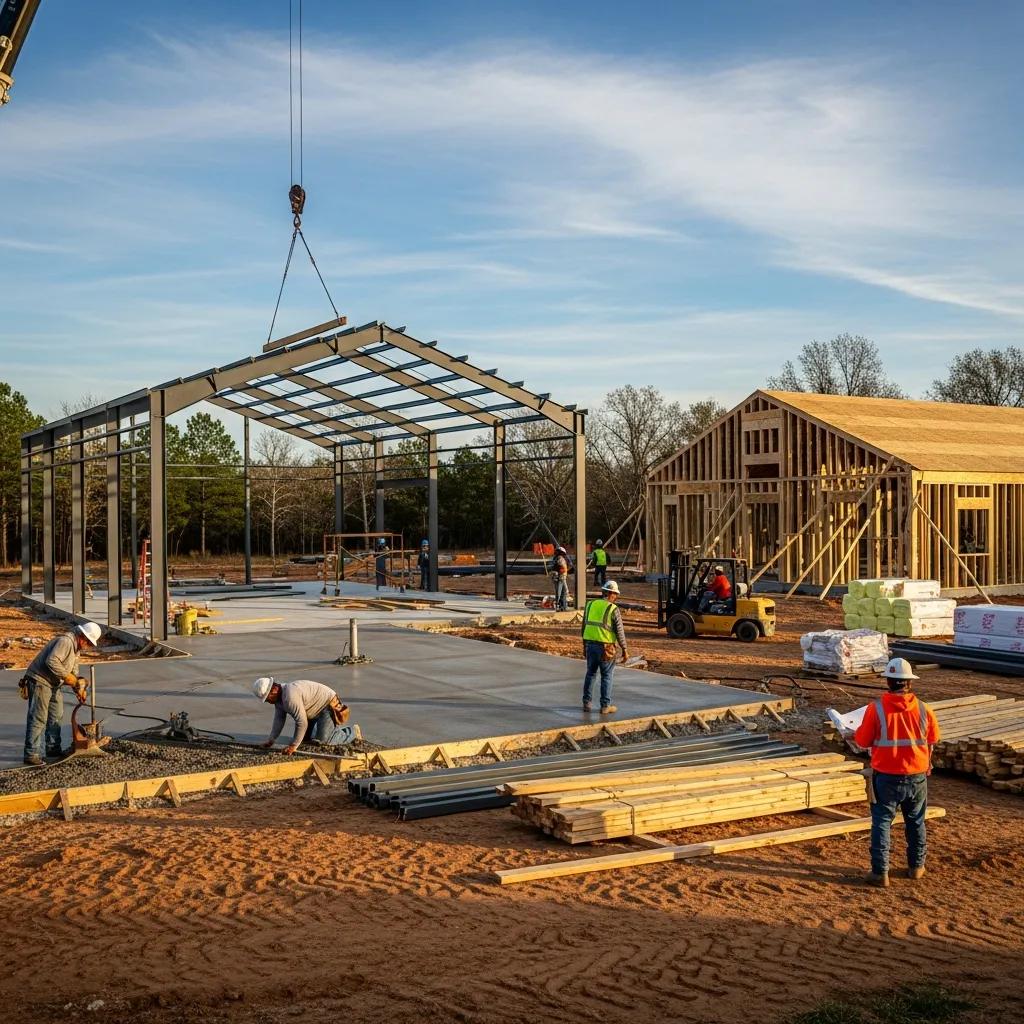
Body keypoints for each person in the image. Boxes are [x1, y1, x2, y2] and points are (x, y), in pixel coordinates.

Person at [853, 657, 941, 887]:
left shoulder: (876, 709)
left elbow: (862, 741)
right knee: (916, 822)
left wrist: (853, 732)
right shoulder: (924, 709)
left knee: (882, 822)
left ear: (888, 682)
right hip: (917, 775)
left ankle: (880, 873)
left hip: (886, 776)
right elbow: (932, 740)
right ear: (909, 682)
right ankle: (917, 867)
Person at [21, 622, 101, 765]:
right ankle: (31, 754)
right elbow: (51, 661)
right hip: (40, 680)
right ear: (82, 636)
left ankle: (53, 749)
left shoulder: (76, 650)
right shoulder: (66, 641)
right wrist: (69, 677)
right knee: (39, 718)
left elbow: (73, 674)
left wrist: (79, 688)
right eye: (88, 642)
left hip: (53, 684)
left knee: (56, 716)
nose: (88, 646)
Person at [253, 677, 352, 754]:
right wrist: (271, 739)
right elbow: (279, 719)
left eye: (267, 699)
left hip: (327, 704)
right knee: (304, 740)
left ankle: (351, 732)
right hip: (311, 710)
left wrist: (293, 746)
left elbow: (302, 722)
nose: (268, 702)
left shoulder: (290, 697)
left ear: (274, 690)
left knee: (323, 741)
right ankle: (325, 728)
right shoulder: (278, 699)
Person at [580, 580, 629, 715]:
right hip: (606, 648)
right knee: (606, 675)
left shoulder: (590, 605)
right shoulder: (613, 609)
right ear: (611, 593)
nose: (616, 597)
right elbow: (619, 631)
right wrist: (625, 650)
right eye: (615, 594)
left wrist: (584, 646)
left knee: (590, 673)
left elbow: (584, 627)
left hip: (590, 644)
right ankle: (605, 706)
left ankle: (586, 703)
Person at [552, 545, 570, 611]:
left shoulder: (557, 558)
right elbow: (562, 568)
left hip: (560, 577)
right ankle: (559, 605)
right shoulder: (560, 559)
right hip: (560, 578)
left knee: (562, 592)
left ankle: (562, 606)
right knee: (560, 593)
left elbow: (562, 568)